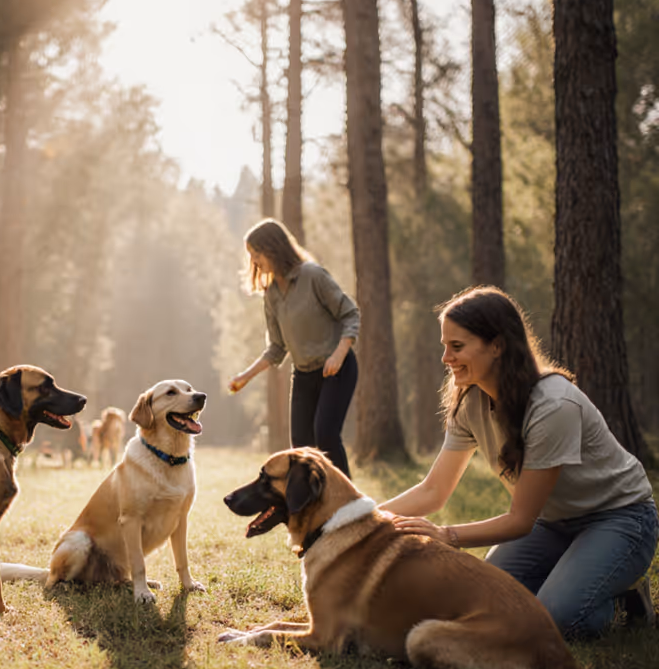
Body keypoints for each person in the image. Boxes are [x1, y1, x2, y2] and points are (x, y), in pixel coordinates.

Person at [382, 285, 657, 638]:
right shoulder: (470, 403)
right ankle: (576, 573)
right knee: (484, 603)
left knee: (555, 620)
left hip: (620, 518)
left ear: (496, 346)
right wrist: (363, 519)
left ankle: (624, 596)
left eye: (457, 346)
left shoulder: (554, 405)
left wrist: (445, 534)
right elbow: (433, 491)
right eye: (444, 346)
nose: (445, 358)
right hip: (554, 523)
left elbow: (521, 519)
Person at [228, 218, 360, 477]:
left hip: (337, 369)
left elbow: (350, 313)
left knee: (326, 435)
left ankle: (351, 508)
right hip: (304, 375)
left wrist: (339, 353)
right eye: (251, 255)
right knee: (300, 449)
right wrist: (245, 377)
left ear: (273, 248)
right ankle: (313, 510)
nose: (254, 261)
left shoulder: (313, 276)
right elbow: (277, 348)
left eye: (256, 253)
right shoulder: (272, 294)